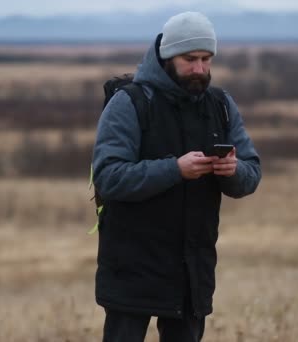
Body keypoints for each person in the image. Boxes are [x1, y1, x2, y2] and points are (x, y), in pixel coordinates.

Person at [91, 11, 261, 342]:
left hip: (191, 268)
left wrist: (233, 172)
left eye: (206, 59)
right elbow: (108, 176)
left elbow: (252, 173)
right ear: (167, 55)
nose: (199, 68)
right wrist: (174, 169)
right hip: (131, 267)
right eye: (190, 58)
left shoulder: (221, 105)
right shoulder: (130, 103)